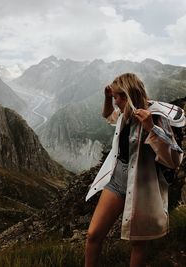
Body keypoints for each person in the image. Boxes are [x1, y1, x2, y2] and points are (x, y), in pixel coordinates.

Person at [85, 73, 185, 267]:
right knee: (93, 235)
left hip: (143, 186)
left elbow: (173, 160)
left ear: (127, 97)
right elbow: (107, 116)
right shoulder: (126, 113)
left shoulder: (155, 117)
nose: (115, 103)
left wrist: (151, 128)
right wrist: (107, 97)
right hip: (117, 179)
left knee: (138, 243)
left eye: (116, 98)